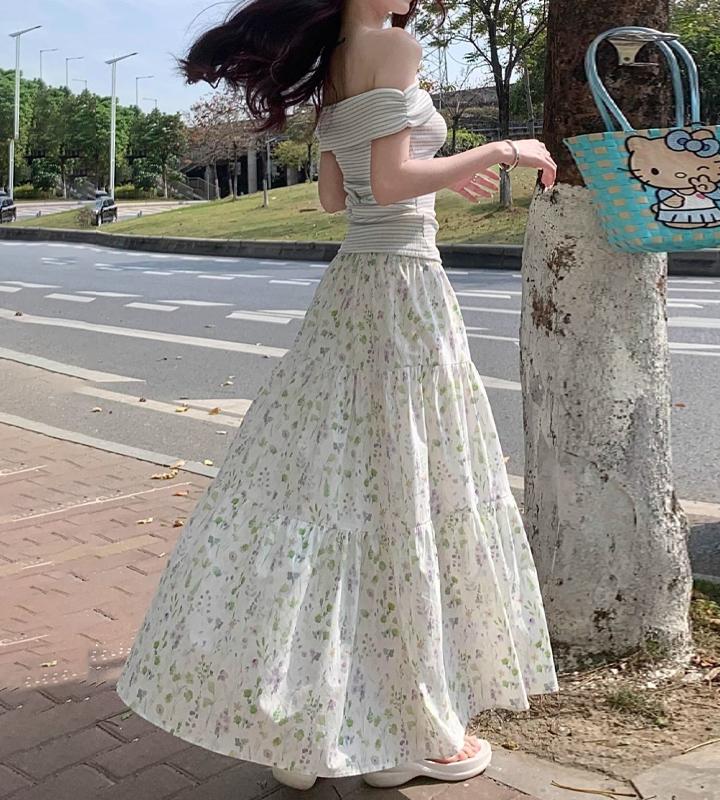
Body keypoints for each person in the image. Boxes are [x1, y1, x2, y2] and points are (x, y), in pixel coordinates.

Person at [115, 0, 559, 791]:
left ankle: (310, 731)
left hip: (351, 289)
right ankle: (407, 735)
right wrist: (503, 149)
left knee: (328, 489)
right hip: (404, 292)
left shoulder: (335, 61)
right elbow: (390, 180)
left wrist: (433, 179)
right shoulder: (393, 44)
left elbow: (337, 196)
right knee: (407, 493)